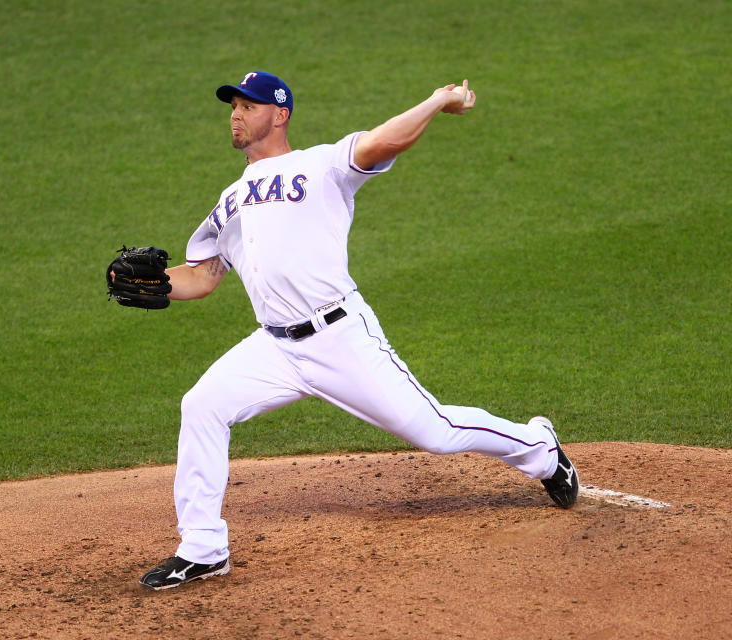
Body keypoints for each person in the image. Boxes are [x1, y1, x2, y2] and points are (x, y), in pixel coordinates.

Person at [134, 71, 579, 590]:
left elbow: (382, 140)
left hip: (339, 336)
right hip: (274, 348)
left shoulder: (319, 165)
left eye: (248, 105)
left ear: (279, 114)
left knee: (433, 431)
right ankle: (203, 549)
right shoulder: (229, 200)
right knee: (202, 406)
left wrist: (436, 101)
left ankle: (540, 448)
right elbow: (204, 277)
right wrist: (153, 284)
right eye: (233, 105)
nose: (236, 113)